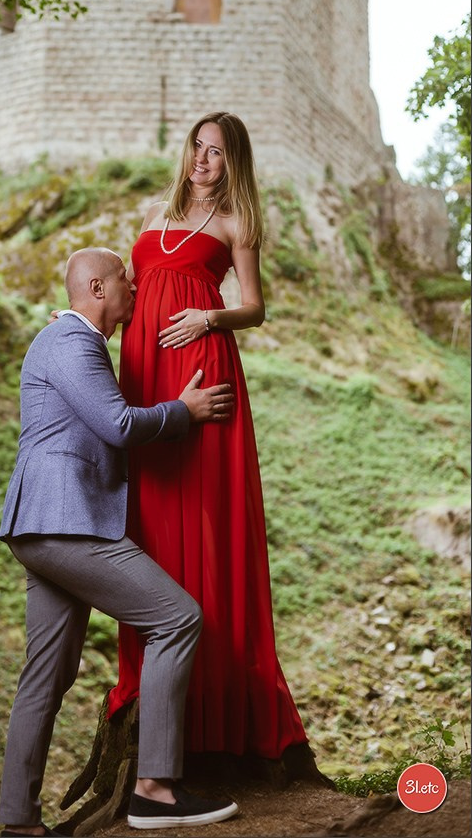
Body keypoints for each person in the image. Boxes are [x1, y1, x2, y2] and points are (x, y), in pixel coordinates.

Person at [0, 247, 239, 837]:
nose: (135, 291)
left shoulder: (67, 340)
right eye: (128, 283)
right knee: (177, 618)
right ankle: (154, 791)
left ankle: (17, 824)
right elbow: (120, 425)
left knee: (45, 677)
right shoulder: (74, 341)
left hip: (40, 524)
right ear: (99, 289)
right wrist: (184, 410)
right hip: (67, 521)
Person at [107, 112, 309, 761]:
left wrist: (209, 314)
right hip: (145, 377)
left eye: (215, 152)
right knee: (151, 518)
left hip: (201, 368)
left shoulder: (234, 223)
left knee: (204, 518)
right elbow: (132, 293)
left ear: (232, 162)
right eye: (196, 148)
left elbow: (254, 305)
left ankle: (219, 700)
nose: (201, 161)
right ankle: (149, 686)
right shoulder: (154, 215)